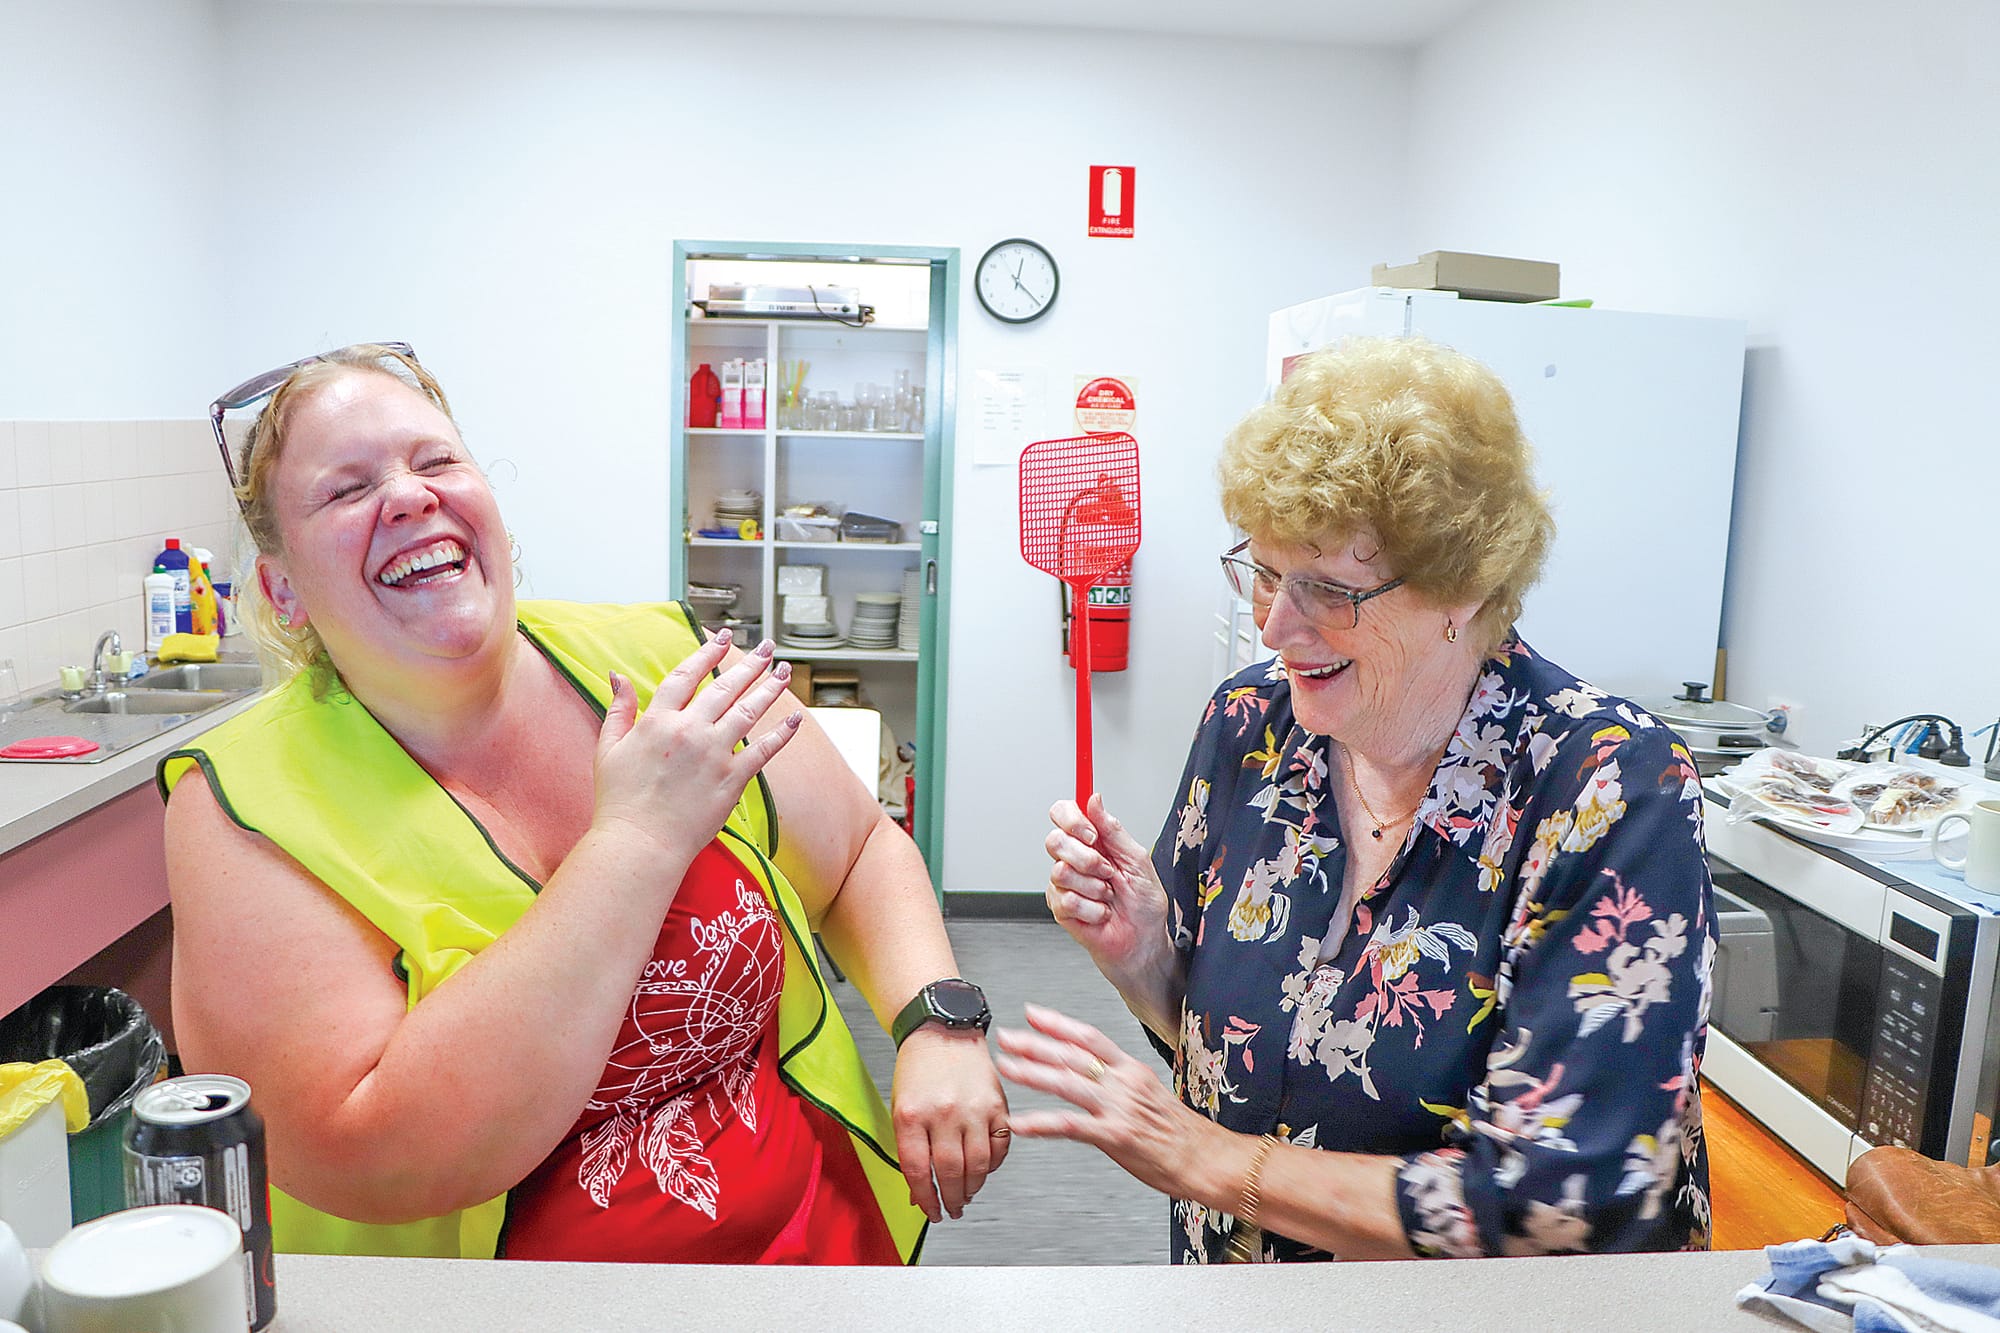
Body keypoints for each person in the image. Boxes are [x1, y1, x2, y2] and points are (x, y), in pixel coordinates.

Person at [161, 344, 1007, 1264]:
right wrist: (637, 838)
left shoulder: (653, 657)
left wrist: (938, 1021)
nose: (409, 496)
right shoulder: (246, 803)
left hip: (818, 1252)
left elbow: (856, 853)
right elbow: (362, 1153)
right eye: (346, 489)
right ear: (283, 591)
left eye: (436, 460)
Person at [1000, 335, 1715, 1262]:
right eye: (1261, 571)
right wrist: (1145, 957)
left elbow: (1553, 1204)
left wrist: (1207, 1159)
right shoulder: (1253, 725)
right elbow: (1241, 1053)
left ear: (1461, 588)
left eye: (1327, 590)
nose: (1273, 623)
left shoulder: (1607, 787)